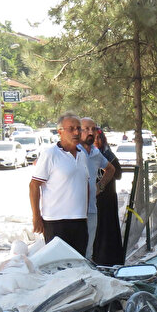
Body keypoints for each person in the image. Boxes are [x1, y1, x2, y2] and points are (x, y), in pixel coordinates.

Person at [30, 113, 90, 255]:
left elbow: (85, 184)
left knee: (79, 264)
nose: (76, 132)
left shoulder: (82, 155)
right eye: (71, 129)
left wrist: (85, 213)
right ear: (60, 132)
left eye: (78, 128)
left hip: (80, 221)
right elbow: (34, 185)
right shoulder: (50, 154)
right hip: (56, 222)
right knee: (59, 267)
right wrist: (36, 217)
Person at [80, 117, 116, 257]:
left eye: (93, 129)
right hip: (73, 210)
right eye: (86, 129)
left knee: (88, 251)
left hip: (91, 209)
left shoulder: (96, 153)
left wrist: (99, 187)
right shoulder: (72, 151)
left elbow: (111, 169)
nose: (90, 132)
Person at [91, 128, 125, 265]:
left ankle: (109, 260)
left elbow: (118, 174)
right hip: (93, 200)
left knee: (108, 229)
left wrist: (104, 176)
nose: (97, 141)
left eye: (99, 139)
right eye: (94, 138)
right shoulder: (86, 154)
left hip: (107, 199)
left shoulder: (107, 154)